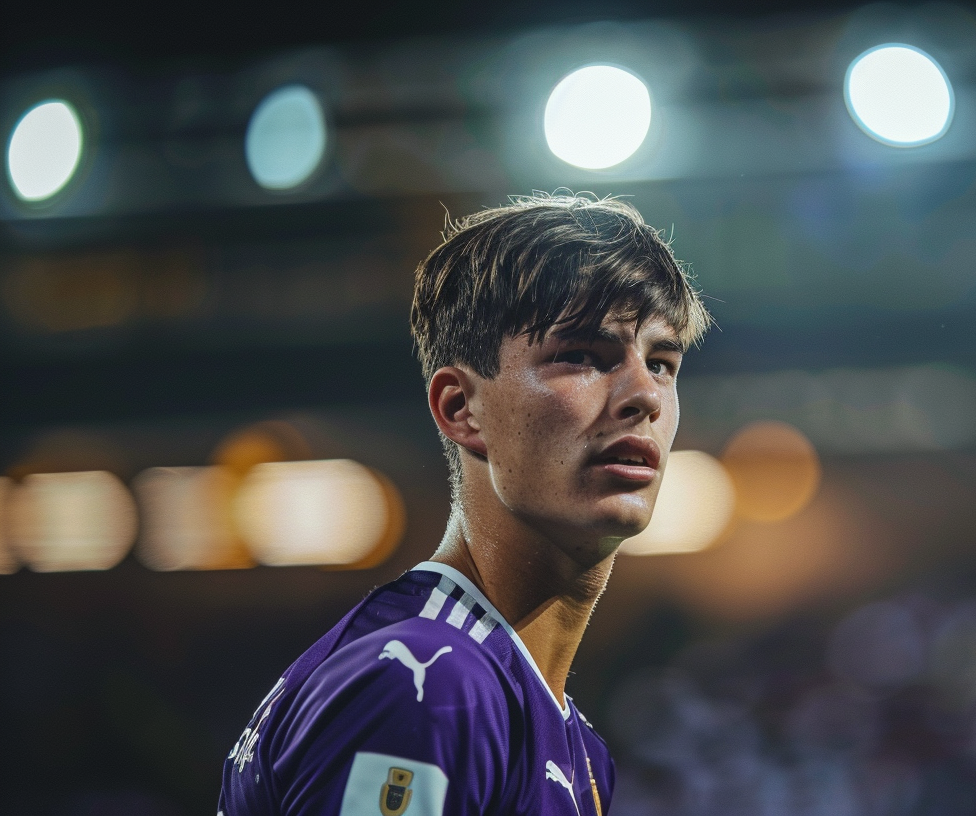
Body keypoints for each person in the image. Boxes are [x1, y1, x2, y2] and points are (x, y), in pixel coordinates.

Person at [218, 193, 711, 816]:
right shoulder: (427, 685)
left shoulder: (562, 735)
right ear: (460, 409)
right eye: (582, 356)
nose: (644, 394)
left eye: (662, 363)